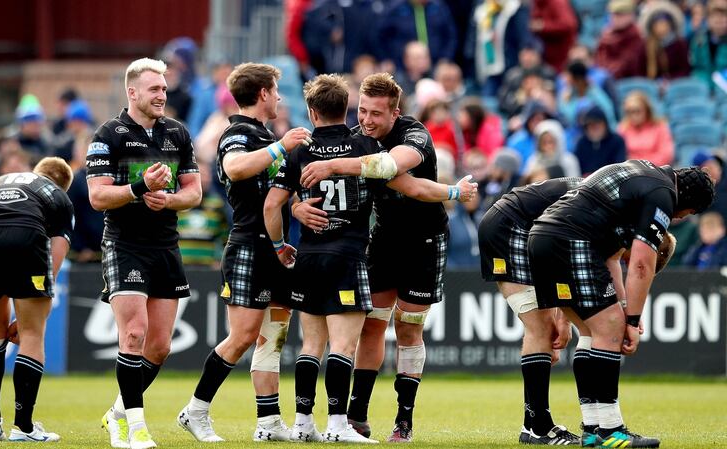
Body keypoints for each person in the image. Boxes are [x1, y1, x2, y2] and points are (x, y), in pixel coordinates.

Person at [267, 73, 476, 444]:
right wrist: (298, 208)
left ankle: (403, 420)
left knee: (409, 328)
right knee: (371, 326)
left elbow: (391, 169)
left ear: (395, 113)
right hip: (382, 241)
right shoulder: (357, 140)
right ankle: (356, 416)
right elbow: (305, 187)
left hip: (424, 241)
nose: (366, 120)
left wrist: (455, 193)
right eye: (361, 111)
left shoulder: (414, 135)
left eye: (376, 114)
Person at [528, 161, 714, 448]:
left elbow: (612, 257)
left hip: (541, 239)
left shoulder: (642, 172)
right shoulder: (663, 193)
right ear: (688, 200)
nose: (679, 218)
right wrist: (631, 321)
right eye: (687, 212)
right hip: (570, 240)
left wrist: (626, 308)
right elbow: (641, 264)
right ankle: (610, 430)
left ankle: (592, 428)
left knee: (591, 331)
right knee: (611, 326)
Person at [176, 62, 311, 443]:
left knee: (274, 335)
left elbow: (276, 192)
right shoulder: (236, 133)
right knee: (243, 335)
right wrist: (281, 146)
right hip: (249, 244)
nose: (280, 98)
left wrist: (298, 207)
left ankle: (269, 422)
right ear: (263, 93)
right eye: (276, 91)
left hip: (276, 247)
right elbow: (235, 169)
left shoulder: (264, 134)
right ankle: (195, 410)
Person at [87, 57, 202, 449]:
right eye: (154, 89)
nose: (162, 95)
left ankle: (117, 412)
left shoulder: (177, 133)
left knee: (160, 346)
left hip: (165, 245)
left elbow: (194, 193)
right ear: (132, 92)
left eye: (164, 89)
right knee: (134, 333)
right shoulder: (109, 134)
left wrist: (167, 200)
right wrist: (140, 189)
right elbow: (98, 196)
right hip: (125, 244)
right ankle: (136, 428)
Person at [0, 157, 75, 442]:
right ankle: (23, 427)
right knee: (32, 334)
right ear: (64, 186)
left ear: (36, 172)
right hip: (26, 240)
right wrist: (28, 317)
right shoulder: (58, 197)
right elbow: (54, 262)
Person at [479, 177, 583, 445]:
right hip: (510, 226)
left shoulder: (601, 198)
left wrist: (559, 318)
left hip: (516, 223)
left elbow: (555, 258)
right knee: (540, 328)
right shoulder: (601, 213)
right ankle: (540, 427)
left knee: (541, 329)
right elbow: (562, 258)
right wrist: (563, 321)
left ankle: (531, 425)